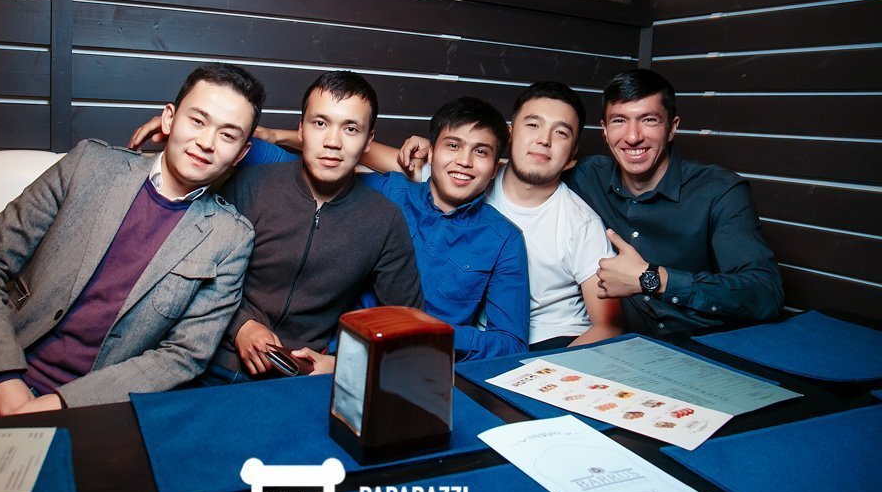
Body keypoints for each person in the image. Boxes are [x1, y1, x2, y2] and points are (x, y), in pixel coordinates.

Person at [0, 63, 264, 435]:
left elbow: (184, 356)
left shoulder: (229, 237)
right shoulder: (90, 166)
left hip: (94, 408)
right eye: (197, 121)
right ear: (168, 119)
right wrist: (0, 375)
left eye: (227, 135)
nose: (207, 142)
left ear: (242, 153)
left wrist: (59, 405)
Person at [249, 97, 531, 359]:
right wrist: (259, 134)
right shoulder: (390, 192)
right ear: (432, 152)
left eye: (481, 152)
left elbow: (511, 342)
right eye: (453, 146)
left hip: (425, 365)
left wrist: (432, 333)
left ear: (494, 169)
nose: (465, 161)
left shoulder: (504, 239)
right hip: (336, 354)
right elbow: (296, 167)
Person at [206, 71, 423, 380]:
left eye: (350, 129)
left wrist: (343, 365)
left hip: (301, 379)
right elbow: (197, 275)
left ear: (368, 140)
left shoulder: (385, 220)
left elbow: (410, 329)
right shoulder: (251, 185)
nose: (332, 142)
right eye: (320, 123)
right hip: (212, 362)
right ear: (301, 129)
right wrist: (241, 325)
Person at [394, 83, 623, 349]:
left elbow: (609, 325)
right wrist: (428, 145)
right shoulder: (471, 175)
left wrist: (546, 369)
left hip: (555, 341)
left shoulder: (581, 223)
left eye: (561, 132)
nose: (544, 139)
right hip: (482, 340)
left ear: (572, 154)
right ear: (510, 134)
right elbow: (387, 161)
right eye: (533, 124)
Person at [565, 68, 783, 335]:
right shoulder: (587, 176)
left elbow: (766, 293)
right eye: (619, 121)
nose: (633, 137)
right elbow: (534, 173)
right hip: (624, 344)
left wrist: (653, 279)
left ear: (672, 128)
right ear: (605, 130)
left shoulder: (719, 191)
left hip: (702, 342)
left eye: (649, 120)